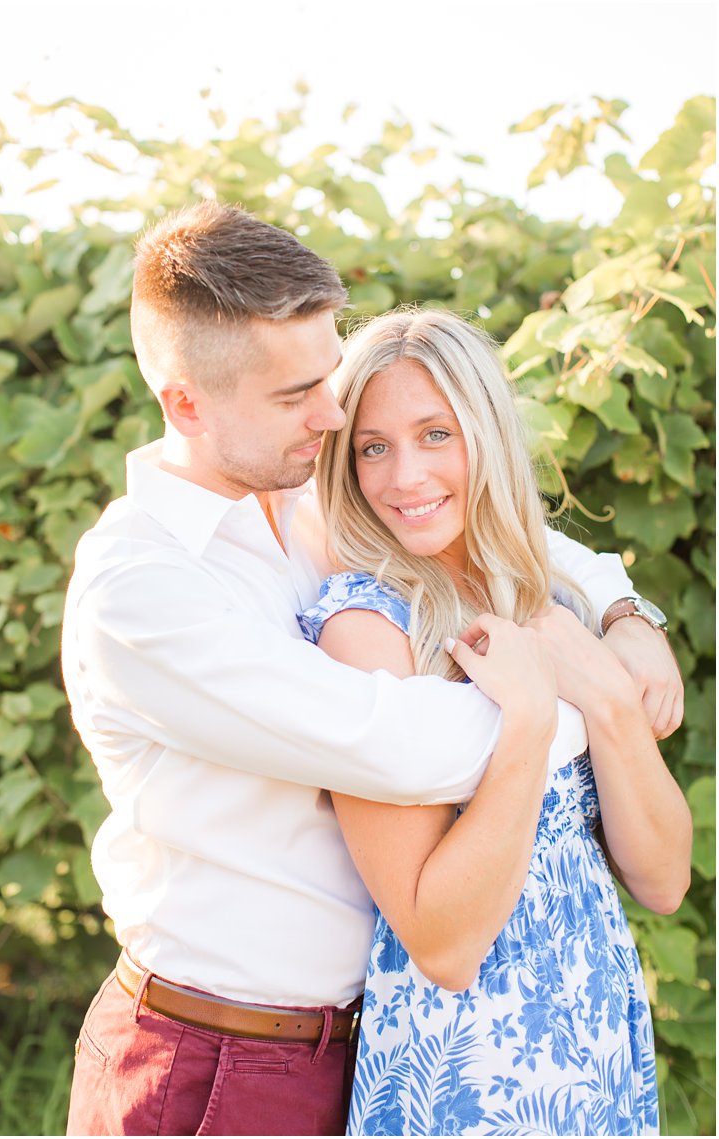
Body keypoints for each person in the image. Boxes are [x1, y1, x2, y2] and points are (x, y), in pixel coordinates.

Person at [59, 202, 683, 1136]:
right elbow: (394, 740)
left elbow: (505, 532)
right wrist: (584, 694)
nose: (336, 416)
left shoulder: (296, 491)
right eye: (296, 394)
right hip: (218, 1055)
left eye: (327, 381)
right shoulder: (147, 589)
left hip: (356, 1040)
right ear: (187, 403)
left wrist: (628, 615)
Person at [301, 308, 689, 1135]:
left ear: (487, 431)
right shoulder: (368, 630)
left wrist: (613, 695)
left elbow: (663, 879)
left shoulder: (551, 599)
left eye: (435, 433)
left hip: (596, 1043)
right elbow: (441, 943)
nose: (404, 476)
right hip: (470, 1066)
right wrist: (531, 719)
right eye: (373, 446)